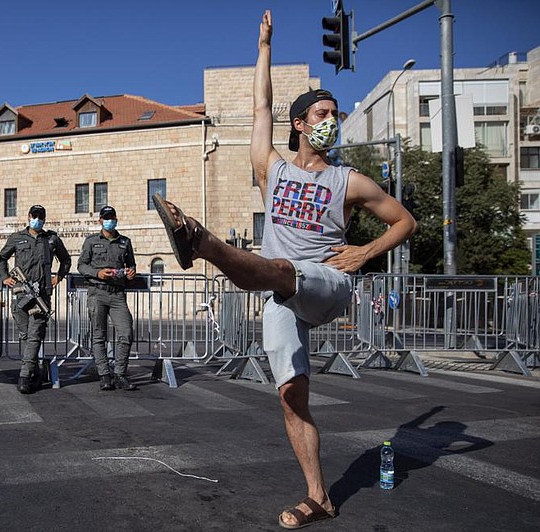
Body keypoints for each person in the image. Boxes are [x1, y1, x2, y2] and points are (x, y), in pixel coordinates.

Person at [152, 10, 417, 530]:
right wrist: (265, 47)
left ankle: (199, 240)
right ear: (298, 124)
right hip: (279, 292)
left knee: (279, 269)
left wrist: (363, 253)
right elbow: (260, 106)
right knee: (291, 396)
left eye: (334, 113)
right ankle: (319, 497)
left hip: (326, 281)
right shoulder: (269, 165)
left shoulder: (350, 181)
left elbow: (405, 220)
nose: (329, 120)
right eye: (321, 112)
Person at [0, 205, 71, 394]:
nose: (37, 219)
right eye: (34, 215)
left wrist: (59, 277)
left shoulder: (51, 239)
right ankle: (36, 372)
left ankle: (24, 377)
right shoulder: (17, 238)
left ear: (45, 218)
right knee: (27, 336)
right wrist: (4, 276)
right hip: (21, 294)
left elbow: (66, 260)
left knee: (35, 335)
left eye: (41, 216)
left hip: (42, 296)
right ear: (29, 216)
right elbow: (1, 257)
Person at [78, 205, 138, 391]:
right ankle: (104, 375)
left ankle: (120, 374)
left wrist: (130, 273)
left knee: (126, 332)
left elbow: (132, 265)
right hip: (97, 293)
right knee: (99, 336)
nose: (110, 220)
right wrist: (97, 273)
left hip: (118, 294)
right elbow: (81, 265)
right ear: (100, 221)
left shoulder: (125, 242)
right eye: (106, 217)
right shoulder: (91, 241)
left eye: (112, 217)